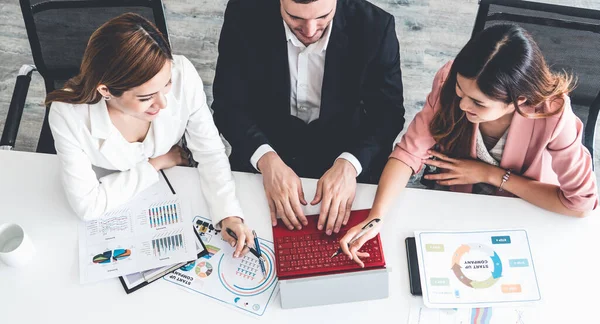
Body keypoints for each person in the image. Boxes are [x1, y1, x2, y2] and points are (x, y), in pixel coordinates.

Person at [339, 24, 598, 266]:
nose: (462, 106)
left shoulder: (553, 114)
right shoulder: (450, 81)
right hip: (457, 206)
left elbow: (580, 203)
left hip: (522, 212)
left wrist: (490, 175)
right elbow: (408, 153)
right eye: (461, 93)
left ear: (518, 100)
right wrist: (376, 217)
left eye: (478, 103)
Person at [46, 13, 253, 257]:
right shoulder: (67, 116)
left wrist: (228, 213)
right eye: (145, 98)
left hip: (171, 189)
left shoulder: (183, 74)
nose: (163, 103)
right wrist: (157, 163)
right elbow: (88, 205)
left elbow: (209, 151)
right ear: (106, 90)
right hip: (123, 208)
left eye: (166, 85)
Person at [212, 0, 405, 235]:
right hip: (264, 145)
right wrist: (265, 158)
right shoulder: (244, 13)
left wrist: (350, 164)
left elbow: (388, 114)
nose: (310, 31)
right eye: (296, 18)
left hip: (345, 150)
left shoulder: (376, 27)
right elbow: (228, 105)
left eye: (323, 16)